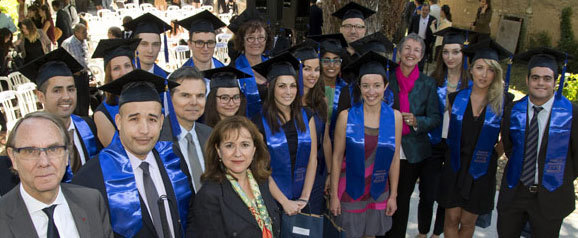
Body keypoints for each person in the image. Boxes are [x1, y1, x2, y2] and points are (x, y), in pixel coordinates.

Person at [72, 70, 193, 238]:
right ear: (119, 122)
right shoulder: (91, 178)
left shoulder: (173, 156)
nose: (144, 130)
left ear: (161, 122)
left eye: (152, 119)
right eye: (134, 119)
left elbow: (191, 214)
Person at [497, 48, 578, 237]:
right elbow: (510, 148)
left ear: (555, 82)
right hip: (516, 191)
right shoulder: (513, 110)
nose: (540, 83)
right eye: (535, 77)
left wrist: (559, 176)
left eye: (547, 78)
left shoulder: (572, 114)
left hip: (551, 193)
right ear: (527, 80)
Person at [439, 39, 512, 238]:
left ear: (496, 73)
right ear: (470, 70)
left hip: (481, 170)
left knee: (468, 221)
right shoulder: (457, 98)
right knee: (451, 218)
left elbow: (506, 139)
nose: (484, 74)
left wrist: (491, 156)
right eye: (479, 68)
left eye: (490, 70)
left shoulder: (504, 102)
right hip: (455, 165)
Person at [0, 111, 113, 237]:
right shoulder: (3, 218)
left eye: (53, 149)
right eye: (30, 151)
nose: (44, 162)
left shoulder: (91, 202)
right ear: (13, 157)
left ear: (66, 155)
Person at [329, 51, 401, 238]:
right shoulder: (346, 117)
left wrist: (393, 195)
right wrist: (334, 196)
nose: (371, 92)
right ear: (359, 87)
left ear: (385, 86)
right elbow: (336, 158)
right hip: (350, 189)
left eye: (377, 85)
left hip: (378, 190)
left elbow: (394, 159)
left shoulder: (395, 117)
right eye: (366, 86)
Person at [381, 33, 441, 238]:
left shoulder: (428, 84)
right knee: (381, 196)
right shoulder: (386, 78)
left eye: (416, 50)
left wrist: (417, 121)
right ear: (399, 51)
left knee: (401, 199)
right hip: (384, 146)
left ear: (422, 55)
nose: (411, 53)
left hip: (411, 152)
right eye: (407, 48)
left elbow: (435, 117)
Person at [251, 53, 318, 218]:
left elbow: (313, 158)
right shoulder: (258, 122)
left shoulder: (307, 116)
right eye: (282, 86)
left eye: (293, 86)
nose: (288, 92)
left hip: (303, 197)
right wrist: (284, 202)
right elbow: (261, 169)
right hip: (272, 201)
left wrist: (305, 197)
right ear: (271, 87)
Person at [421, 27, 472, 238]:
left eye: (456, 51)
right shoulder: (434, 80)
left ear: (464, 54)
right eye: (446, 52)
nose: (450, 57)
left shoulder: (471, 84)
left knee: (447, 193)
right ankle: (422, 232)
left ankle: (436, 233)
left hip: (456, 145)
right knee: (427, 192)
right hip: (433, 143)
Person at [192, 116, 281, 237]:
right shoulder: (209, 196)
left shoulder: (262, 182)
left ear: (254, 149)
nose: (238, 153)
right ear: (218, 150)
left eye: (245, 145)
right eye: (229, 146)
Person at [18, 48, 102, 174]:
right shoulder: (29, 139)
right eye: (57, 90)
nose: (66, 97)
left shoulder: (89, 125)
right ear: (40, 96)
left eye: (71, 89)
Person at [289, 40, 330, 215]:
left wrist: (330, 174)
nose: (313, 74)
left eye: (316, 69)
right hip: (290, 170)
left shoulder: (322, 102)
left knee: (311, 220)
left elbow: (326, 140)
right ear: (297, 70)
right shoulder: (287, 101)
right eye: (307, 69)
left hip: (317, 173)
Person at [158, 66, 212, 194]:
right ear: (170, 98)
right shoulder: (157, 139)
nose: (194, 102)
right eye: (185, 95)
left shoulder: (210, 134)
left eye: (200, 96)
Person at [92, 38, 140, 147]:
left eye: (127, 66)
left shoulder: (146, 99)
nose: (123, 73)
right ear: (109, 75)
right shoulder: (102, 114)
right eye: (116, 68)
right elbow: (117, 155)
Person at [228, 8, 274, 118]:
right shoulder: (232, 71)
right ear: (242, 41)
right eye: (250, 38)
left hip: (274, 128)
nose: (256, 42)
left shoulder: (273, 66)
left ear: (266, 40)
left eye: (261, 37)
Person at [308, 34, 349, 143]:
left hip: (340, 145)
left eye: (336, 60)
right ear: (319, 62)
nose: (332, 65)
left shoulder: (347, 90)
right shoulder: (310, 87)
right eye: (326, 60)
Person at [123, 13, 172, 78]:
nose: (150, 50)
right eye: (144, 44)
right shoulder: (123, 76)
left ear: (160, 46)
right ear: (134, 45)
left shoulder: (167, 78)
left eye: (155, 44)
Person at [409, 3, 437, 72]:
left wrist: (432, 43)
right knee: (413, 59)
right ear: (421, 10)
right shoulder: (415, 18)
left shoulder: (432, 20)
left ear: (429, 11)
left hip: (425, 43)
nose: (424, 12)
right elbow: (410, 29)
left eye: (426, 10)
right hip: (416, 41)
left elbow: (434, 33)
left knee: (421, 62)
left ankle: (419, 75)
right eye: (423, 10)